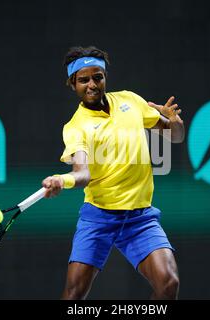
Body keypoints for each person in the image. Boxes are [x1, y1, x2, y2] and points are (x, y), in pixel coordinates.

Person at [42, 46, 185, 300]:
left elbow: (174, 136)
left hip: (139, 217)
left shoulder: (130, 100)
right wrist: (61, 181)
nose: (92, 85)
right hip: (99, 217)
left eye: (98, 77)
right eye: (83, 80)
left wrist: (175, 124)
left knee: (168, 283)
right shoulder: (76, 127)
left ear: (105, 77)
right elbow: (82, 173)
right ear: (72, 83)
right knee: (74, 294)